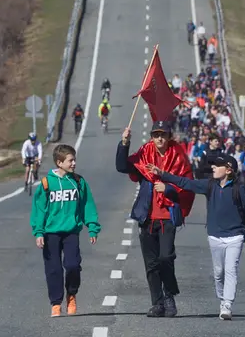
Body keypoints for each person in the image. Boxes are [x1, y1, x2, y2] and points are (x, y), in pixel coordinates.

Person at [148, 154, 245, 320]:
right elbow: (186, 183)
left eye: (217, 165)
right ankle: (222, 299)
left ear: (228, 170)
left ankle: (227, 304)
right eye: (213, 164)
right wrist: (163, 174)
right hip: (215, 236)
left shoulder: (238, 190)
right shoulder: (209, 185)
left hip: (235, 236)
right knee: (219, 273)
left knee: (231, 270)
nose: (213, 167)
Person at [115, 122, 196, 317]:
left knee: (166, 257)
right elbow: (121, 166)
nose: (159, 138)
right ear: (151, 136)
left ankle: (169, 296)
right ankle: (157, 303)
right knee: (151, 263)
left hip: (167, 215)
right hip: (147, 216)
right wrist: (124, 143)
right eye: (156, 134)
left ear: (169, 136)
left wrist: (168, 189)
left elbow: (187, 184)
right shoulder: (144, 153)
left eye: (163, 134)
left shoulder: (178, 156)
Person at [30, 144, 101, 317]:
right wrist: (38, 232)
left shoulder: (78, 181)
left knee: (72, 265)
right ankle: (56, 303)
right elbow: (39, 210)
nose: (74, 163)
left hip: (71, 232)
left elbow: (87, 205)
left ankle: (71, 294)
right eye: (70, 160)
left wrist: (92, 227)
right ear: (59, 162)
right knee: (53, 269)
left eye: (74, 159)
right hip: (50, 233)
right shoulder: (47, 184)